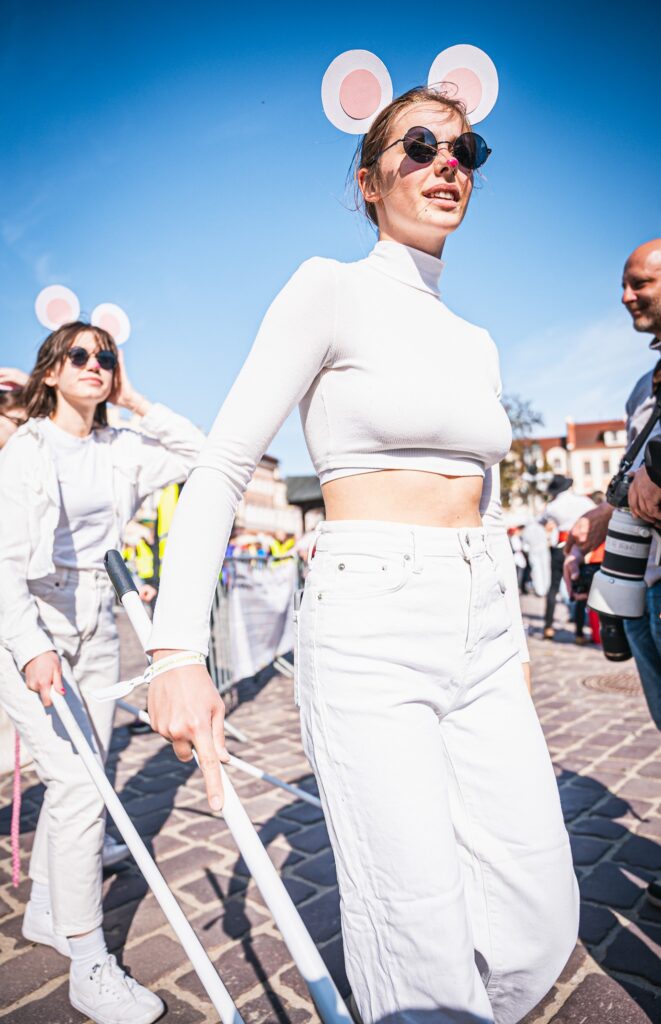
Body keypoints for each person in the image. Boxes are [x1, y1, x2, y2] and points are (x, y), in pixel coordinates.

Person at [144, 83, 578, 1022]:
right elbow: (222, 462)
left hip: (482, 614)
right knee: (413, 921)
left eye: (465, 151)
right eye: (418, 146)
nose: (445, 164)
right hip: (371, 616)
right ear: (368, 180)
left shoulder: (476, 341)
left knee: (538, 908)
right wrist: (176, 650)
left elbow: (481, 489)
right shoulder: (327, 288)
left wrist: (505, 627)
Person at [0, 322, 204, 1024]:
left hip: (98, 619)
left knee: (85, 774)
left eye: (107, 356)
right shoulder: (25, 450)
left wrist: (136, 399)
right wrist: (31, 648)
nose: (96, 363)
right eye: (80, 354)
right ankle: (89, 967)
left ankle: (47, 909)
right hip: (32, 620)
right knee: (81, 784)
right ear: (51, 372)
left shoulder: (121, 448)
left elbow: (203, 455)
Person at [565, 239, 661, 907]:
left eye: (639, 283)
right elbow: (634, 476)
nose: (625, 297)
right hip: (645, 579)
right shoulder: (640, 387)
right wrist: (606, 510)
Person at [541, 476, 594, 641]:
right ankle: (579, 633)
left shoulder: (552, 506)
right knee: (579, 587)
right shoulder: (583, 501)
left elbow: (540, 520)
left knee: (553, 587)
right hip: (579, 547)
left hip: (560, 547)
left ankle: (548, 627)